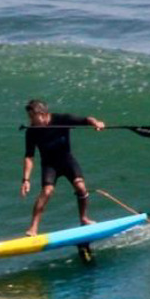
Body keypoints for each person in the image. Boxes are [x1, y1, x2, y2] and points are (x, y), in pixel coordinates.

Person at [21, 100, 105, 235]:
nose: (30, 120)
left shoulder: (61, 119)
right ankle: (33, 228)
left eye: (32, 116)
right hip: (49, 164)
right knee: (47, 191)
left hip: (66, 160)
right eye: (29, 117)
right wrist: (26, 179)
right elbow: (29, 156)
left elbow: (85, 120)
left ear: (42, 114)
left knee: (81, 187)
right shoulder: (32, 131)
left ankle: (84, 218)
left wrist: (96, 123)